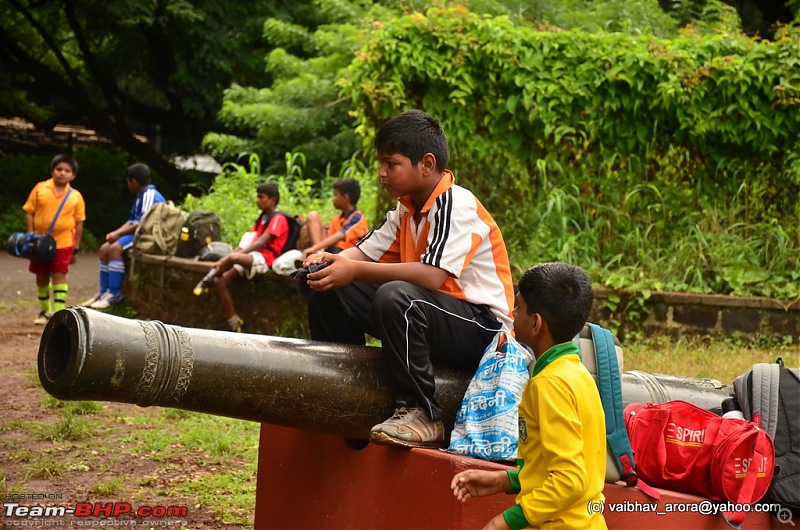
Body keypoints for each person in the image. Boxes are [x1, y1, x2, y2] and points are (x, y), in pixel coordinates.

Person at [301, 109, 514, 448]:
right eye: (381, 165)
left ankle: (423, 414)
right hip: (434, 315)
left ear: (427, 164)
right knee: (328, 285)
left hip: (483, 328)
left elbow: (431, 276)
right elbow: (363, 253)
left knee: (397, 296)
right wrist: (327, 264)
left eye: (391, 164)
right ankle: (343, 400)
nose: (382, 174)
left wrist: (353, 269)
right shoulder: (405, 209)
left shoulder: (455, 203)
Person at [450, 262, 607, 530]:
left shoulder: (549, 385)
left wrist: (506, 521)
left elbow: (570, 480)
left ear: (535, 323)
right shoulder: (576, 373)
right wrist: (504, 480)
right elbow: (556, 467)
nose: (512, 313)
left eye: (518, 308)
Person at [202, 182, 290, 333]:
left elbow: (261, 242)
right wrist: (228, 257)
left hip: (265, 259)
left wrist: (228, 259)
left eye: (261, 197)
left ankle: (208, 279)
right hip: (252, 256)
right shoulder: (262, 218)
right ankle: (235, 321)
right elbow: (247, 243)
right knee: (220, 281)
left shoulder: (278, 218)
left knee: (234, 259)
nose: (257, 200)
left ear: (272, 200)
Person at [82, 163, 165, 309]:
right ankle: (103, 291)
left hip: (147, 236)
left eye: (128, 181)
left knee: (115, 249)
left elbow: (142, 224)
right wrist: (115, 233)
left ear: (133, 181)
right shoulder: (140, 196)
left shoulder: (149, 195)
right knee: (104, 249)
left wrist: (118, 234)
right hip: (138, 232)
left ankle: (115, 293)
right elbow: (131, 221)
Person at [23, 154, 86, 324]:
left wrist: (76, 246)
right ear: (52, 171)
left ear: (73, 175)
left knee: (59, 275)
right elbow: (29, 211)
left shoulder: (75, 196)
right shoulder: (40, 188)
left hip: (64, 242)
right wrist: (30, 235)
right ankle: (44, 311)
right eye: (59, 169)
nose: (62, 173)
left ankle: (58, 314)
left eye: (67, 170)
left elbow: (79, 223)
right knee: (41, 275)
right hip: (39, 242)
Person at [301, 178, 369, 258]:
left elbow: (341, 235)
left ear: (345, 198)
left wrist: (314, 248)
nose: (333, 198)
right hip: (329, 250)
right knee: (313, 215)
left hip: (345, 255)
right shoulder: (336, 219)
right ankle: (318, 253)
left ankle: (317, 252)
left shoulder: (357, 218)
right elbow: (329, 235)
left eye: (335, 195)